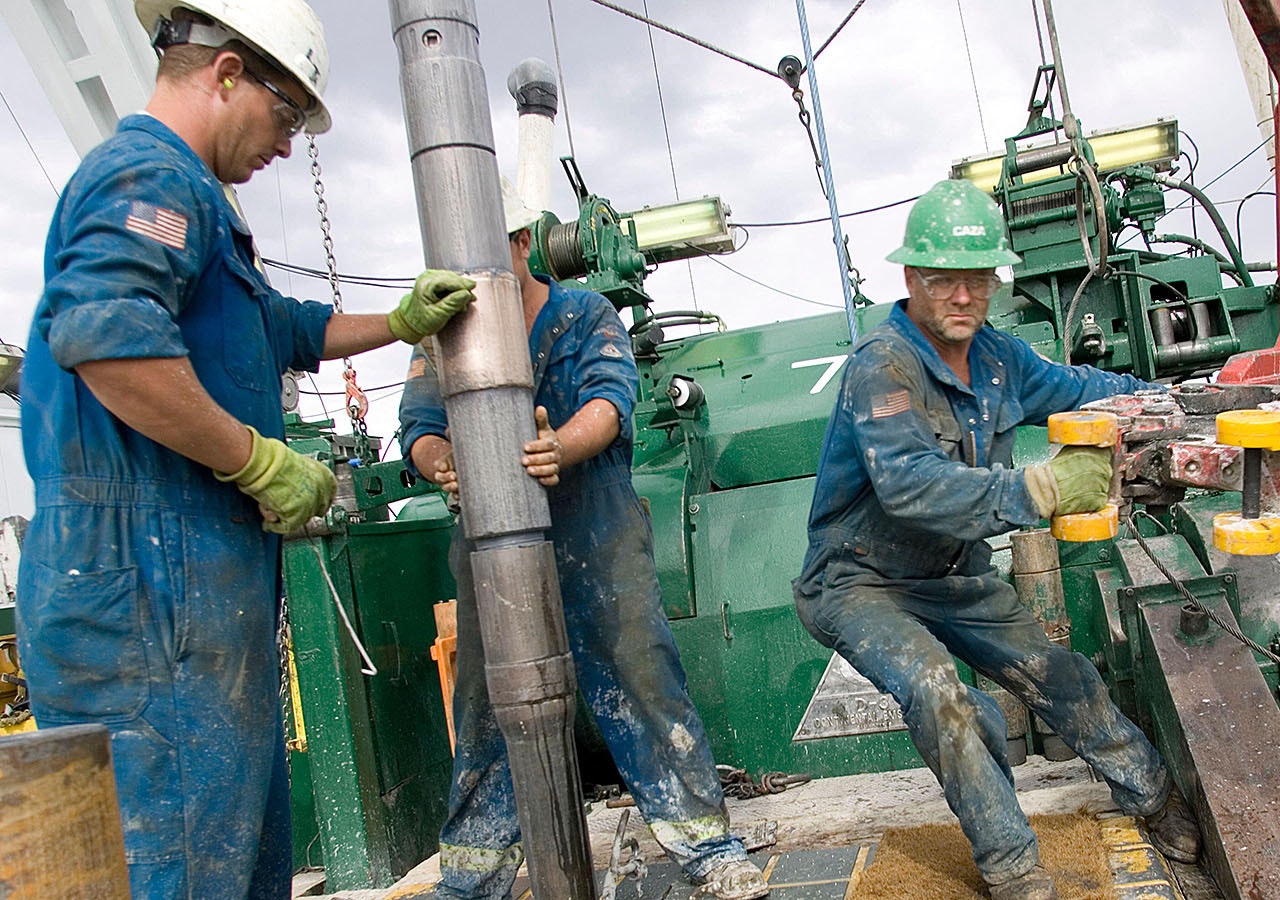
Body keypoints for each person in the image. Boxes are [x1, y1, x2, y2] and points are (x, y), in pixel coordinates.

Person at [15, 1, 476, 895]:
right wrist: (253, 459)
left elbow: (282, 327)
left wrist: (402, 321)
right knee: (178, 872)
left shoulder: (202, 212)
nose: (288, 143)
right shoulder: (147, 175)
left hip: (193, 590)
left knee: (236, 867)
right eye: (287, 115)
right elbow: (106, 338)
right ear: (227, 73)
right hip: (147, 589)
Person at [792, 180, 1202, 900]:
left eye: (977, 279)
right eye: (943, 280)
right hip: (857, 582)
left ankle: (1152, 795)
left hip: (951, 574)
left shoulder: (999, 360)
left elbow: (1078, 388)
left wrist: (1169, 400)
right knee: (940, 695)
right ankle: (1013, 867)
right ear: (912, 279)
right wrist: (1037, 490)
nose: (961, 297)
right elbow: (910, 486)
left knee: (1059, 675)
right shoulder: (880, 368)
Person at [397, 183, 769, 900]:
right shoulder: (439, 337)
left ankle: (707, 847)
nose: (472, 278)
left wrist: (559, 448)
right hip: (488, 546)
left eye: (485, 257)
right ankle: (472, 878)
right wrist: (442, 464)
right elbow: (419, 428)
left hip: (592, 531)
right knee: (487, 704)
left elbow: (609, 398)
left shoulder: (583, 314)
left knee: (642, 680)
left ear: (518, 246)